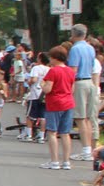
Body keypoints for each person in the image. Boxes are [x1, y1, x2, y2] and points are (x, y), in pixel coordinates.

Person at [40, 45, 76, 171]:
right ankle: (66, 161)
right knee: (65, 133)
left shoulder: (53, 71)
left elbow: (48, 89)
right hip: (68, 102)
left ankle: (54, 161)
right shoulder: (70, 71)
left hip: (55, 103)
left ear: (55, 58)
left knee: (52, 132)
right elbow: (72, 89)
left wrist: (42, 84)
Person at [68, 24, 99, 161]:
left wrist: (69, 87)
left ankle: (86, 150)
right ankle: (90, 148)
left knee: (80, 118)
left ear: (73, 34)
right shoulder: (90, 48)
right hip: (90, 81)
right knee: (88, 117)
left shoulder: (75, 49)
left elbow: (73, 70)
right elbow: (92, 67)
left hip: (79, 82)